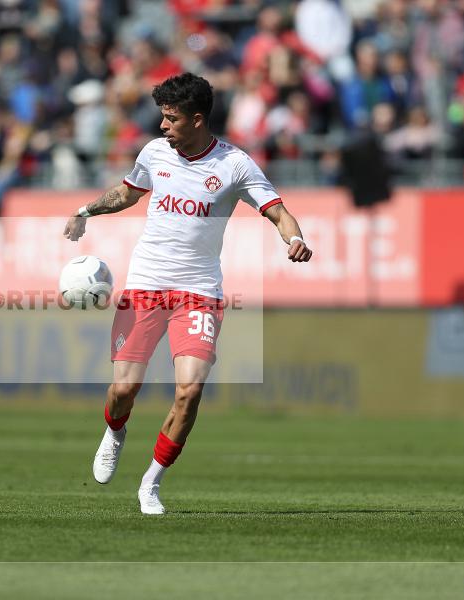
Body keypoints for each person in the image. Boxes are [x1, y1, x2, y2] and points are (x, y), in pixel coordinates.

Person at [62, 73, 312, 515]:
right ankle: (115, 432)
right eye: (162, 117)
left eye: (171, 119)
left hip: (198, 293)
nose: (162, 127)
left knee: (189, 392)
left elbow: (278, 212)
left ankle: (151, 484)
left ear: (197, 120)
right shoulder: (155, 153)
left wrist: (293, 239)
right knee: (123, 390)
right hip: (144, 287)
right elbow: (128, 192)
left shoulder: (235, 165)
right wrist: (86, 211)